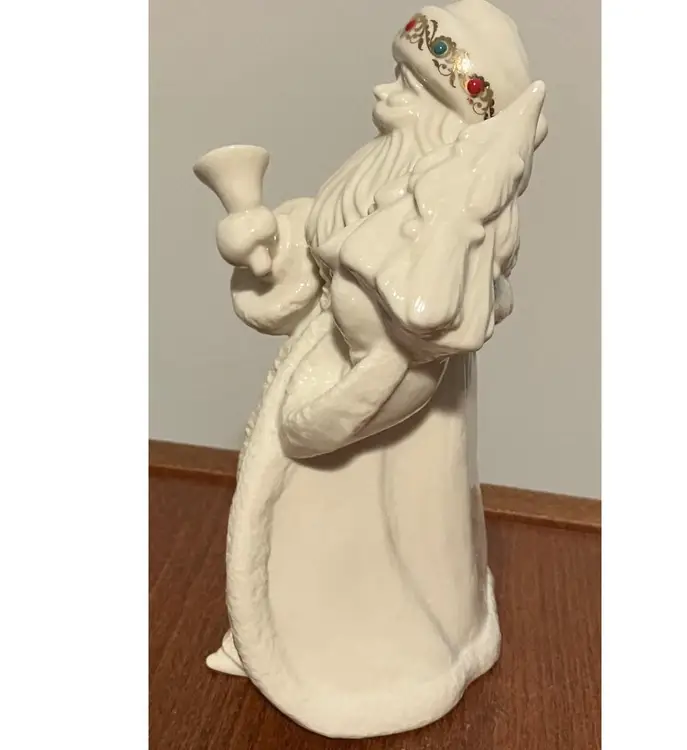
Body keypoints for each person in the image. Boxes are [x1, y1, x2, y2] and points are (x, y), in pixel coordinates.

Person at [203, 0, 547, 738]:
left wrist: (325, 415)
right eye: (396, 72)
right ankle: (276, 633)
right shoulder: (381, 168)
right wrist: (270, 248)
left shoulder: (450, 227)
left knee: (381, 537)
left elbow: (410, 345)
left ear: (449, 113)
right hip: (337, 382)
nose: (384, 92)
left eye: (410, 85)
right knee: (308, 532)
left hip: (384, 423)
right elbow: (324, 249)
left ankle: (371, 662)